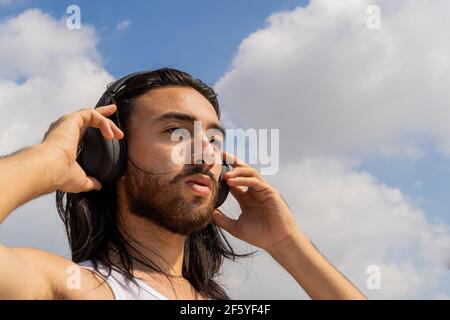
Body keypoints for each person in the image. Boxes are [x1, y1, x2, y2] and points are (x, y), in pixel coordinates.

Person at [0, 68, 366, 300]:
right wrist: (48, 160)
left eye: (214, 140)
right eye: (176, 132)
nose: (207, 155)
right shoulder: (67, 286)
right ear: (111, 154)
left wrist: (287, 244)